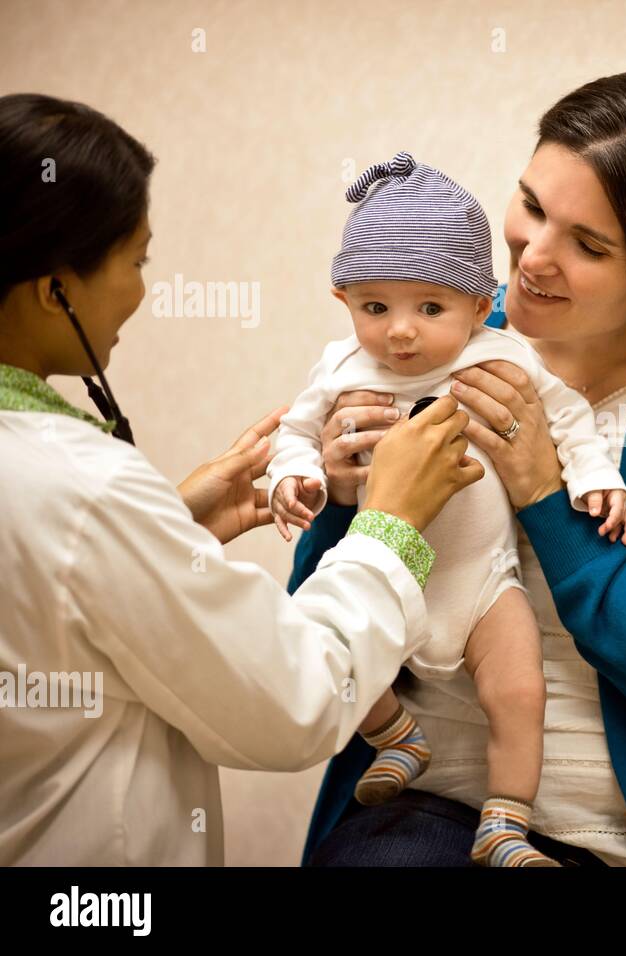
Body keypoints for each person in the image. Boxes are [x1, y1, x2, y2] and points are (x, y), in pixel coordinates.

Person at [298, 71, 626, 867]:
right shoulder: (435, 330)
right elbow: (316, 635)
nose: (532, 258)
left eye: (589, 245)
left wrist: (545, 490)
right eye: (533, 206)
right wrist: (339, 500)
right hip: (421, 805)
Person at [0, 92, 483, 865]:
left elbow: (47, 605)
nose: (142, 289)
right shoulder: (82, 490)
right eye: (137, 259)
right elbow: (291, 703)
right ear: (56, 290)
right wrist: (388, 525)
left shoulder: (61, 484)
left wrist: (167, 532)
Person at [267, 150, 626, 866]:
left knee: (519, 689)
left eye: (429, 308)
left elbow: (567, 417)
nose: (400, 331)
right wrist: (303, 479)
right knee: (333, 641)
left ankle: (504, 822)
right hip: (386, 575)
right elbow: (294, 432)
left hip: (483, 583)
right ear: (345, 301)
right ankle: (397, 736)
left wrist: (595, 476)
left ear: (476, 303)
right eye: (375, 307)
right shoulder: (342, 368)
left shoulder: (501, 356)